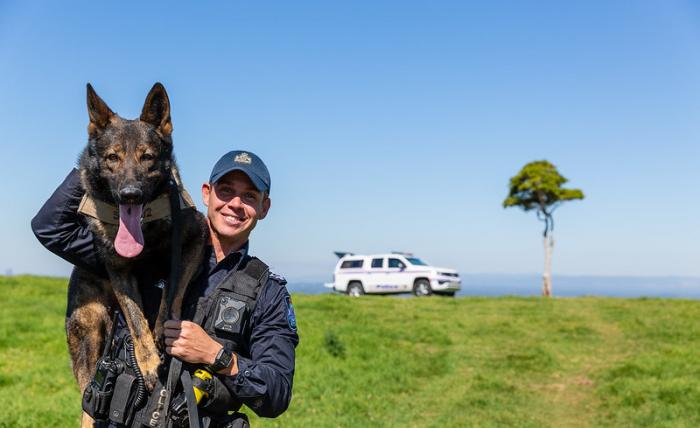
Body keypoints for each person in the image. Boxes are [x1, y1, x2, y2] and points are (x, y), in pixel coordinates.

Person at [32, 150, 299, 427]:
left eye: (249, 196)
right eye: (226, 190)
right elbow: (52, 228)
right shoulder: (145, 250)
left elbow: (276, 394)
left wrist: (215, 355)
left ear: (264, 207)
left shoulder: (267, 292)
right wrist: (102, 152)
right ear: (207, 194)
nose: (235, 204)